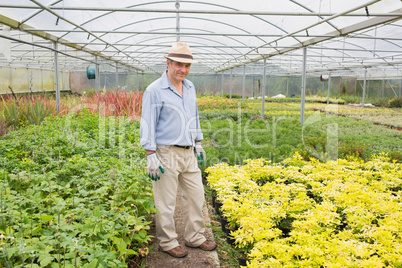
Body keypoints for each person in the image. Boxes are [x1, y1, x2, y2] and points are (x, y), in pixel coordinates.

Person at [140, 42, 217, 258]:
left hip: (188, 152)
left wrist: (199, 141)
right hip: (166, 152)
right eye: (178, 65)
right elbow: (147, 122)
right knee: (166, 201)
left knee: (196, 195)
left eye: (187, 66)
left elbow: (194, 116)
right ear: (168, 63)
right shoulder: (154, 90)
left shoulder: (190, 87)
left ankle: (195, 237)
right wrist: (150, 155)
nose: (183, 69)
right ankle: (167, 241)